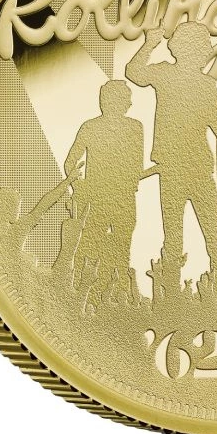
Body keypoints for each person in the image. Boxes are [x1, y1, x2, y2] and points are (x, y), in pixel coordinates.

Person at [126, 22, 217, 271]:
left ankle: (211, 277)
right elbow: (134, 73)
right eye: (203, 46)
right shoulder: (171, 75)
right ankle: (179, 282)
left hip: (192, 168)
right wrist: (150, 43)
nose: (206, 51)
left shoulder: (202, 85)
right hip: (180, 168)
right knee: (191, 235)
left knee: (204, 234)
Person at [64, 81, 144, 286]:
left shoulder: (135, 128)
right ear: (111, 101)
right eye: (126, 99)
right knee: (90, 244)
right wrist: (79, 187)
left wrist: (131, 181)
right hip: (96, 199)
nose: (130, 104)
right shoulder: (90, 127)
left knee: (122, 248)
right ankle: (82, 287)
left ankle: (119, 290)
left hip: (123, 198)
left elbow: (137, 165)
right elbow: (70, 162)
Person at [0, 169, 80, 267]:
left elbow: (46, 202)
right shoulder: (17, 229)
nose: (18, 209)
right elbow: (45, 203)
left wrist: (68, 180)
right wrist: (68, 180)